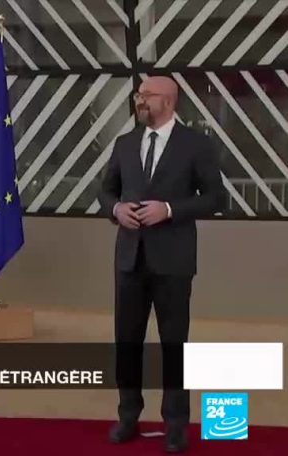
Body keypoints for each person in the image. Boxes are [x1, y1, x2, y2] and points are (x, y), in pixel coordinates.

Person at [99, 76, 226, 453]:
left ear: (168, 101)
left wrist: (169, 209)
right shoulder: (124, 143)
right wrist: (116, 209)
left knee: (174, 345)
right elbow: (105, 190)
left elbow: (216, 198)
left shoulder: (196, 145)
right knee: (127, 342)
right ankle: (128, 416)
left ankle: (175, 423)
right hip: (129, 260)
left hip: (173, 262)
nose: (139, 101)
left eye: (146, 96)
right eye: (138, 95)